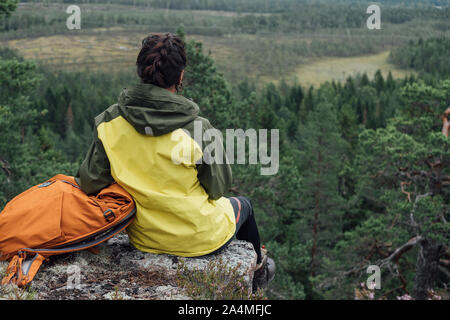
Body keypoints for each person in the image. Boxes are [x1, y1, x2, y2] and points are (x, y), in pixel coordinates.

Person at [75, 33, 274, 288]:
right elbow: (218, 190)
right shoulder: (199, 129)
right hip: (200, 239)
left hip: (143, 238)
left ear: (141, 71)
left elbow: (90, 182)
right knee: (244, 205)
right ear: (180, 77)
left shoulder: (109, 122)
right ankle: (257, 275)